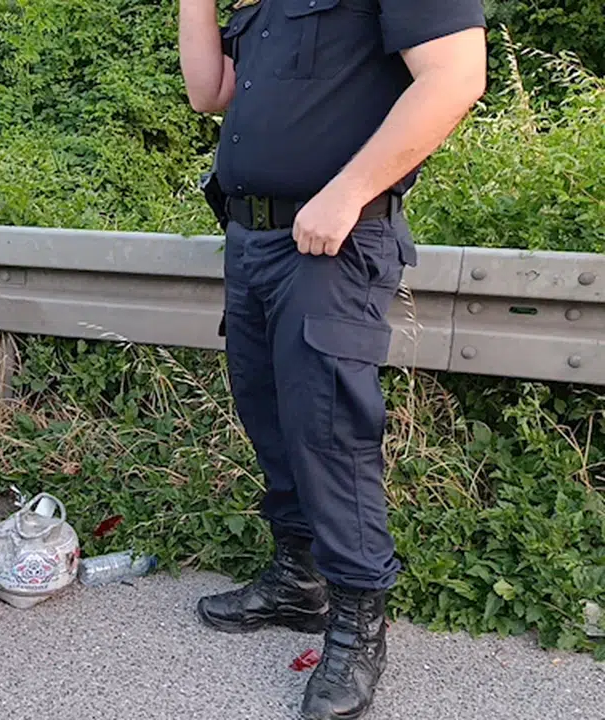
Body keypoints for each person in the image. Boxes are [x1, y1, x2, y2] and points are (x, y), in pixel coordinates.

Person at [177, 1, 486, 718]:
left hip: (332, 245)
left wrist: (350, 191)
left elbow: (455, 77)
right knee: (271, 415)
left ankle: (356, 627)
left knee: (329, 433)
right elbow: (208, 93)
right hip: (252, 239)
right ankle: (297, 579)